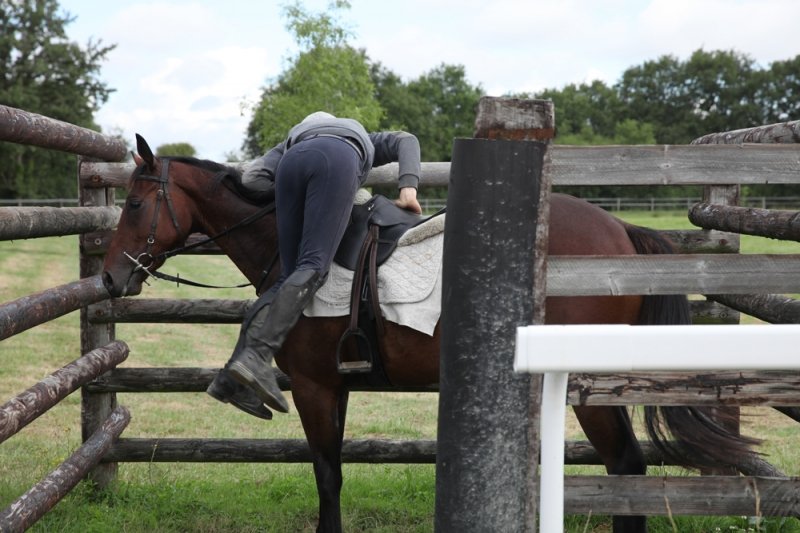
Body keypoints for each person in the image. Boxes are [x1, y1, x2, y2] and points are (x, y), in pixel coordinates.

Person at [206, 111, 422, 414]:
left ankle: (230, 380)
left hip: (291, 165)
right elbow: (407, 140)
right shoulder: (361, 136)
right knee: (313, 267)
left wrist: (297, 196)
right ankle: (256, 359)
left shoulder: (289, 143)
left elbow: (253, 180)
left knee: (287, 277)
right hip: (339, 159)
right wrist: (408, 189)